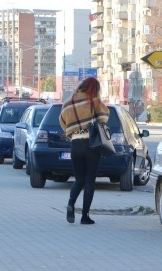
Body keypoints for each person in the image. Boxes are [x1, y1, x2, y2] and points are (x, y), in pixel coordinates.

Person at [59, 77, 109, 225]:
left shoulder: (68, 103)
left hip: (75, 144)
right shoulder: (93, 100)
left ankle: (70, 204)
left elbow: (62, 122)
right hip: (91, 144)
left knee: (79, 179)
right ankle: (85, 216)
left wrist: (74, 130)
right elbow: (104, 117)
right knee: (89, 181)